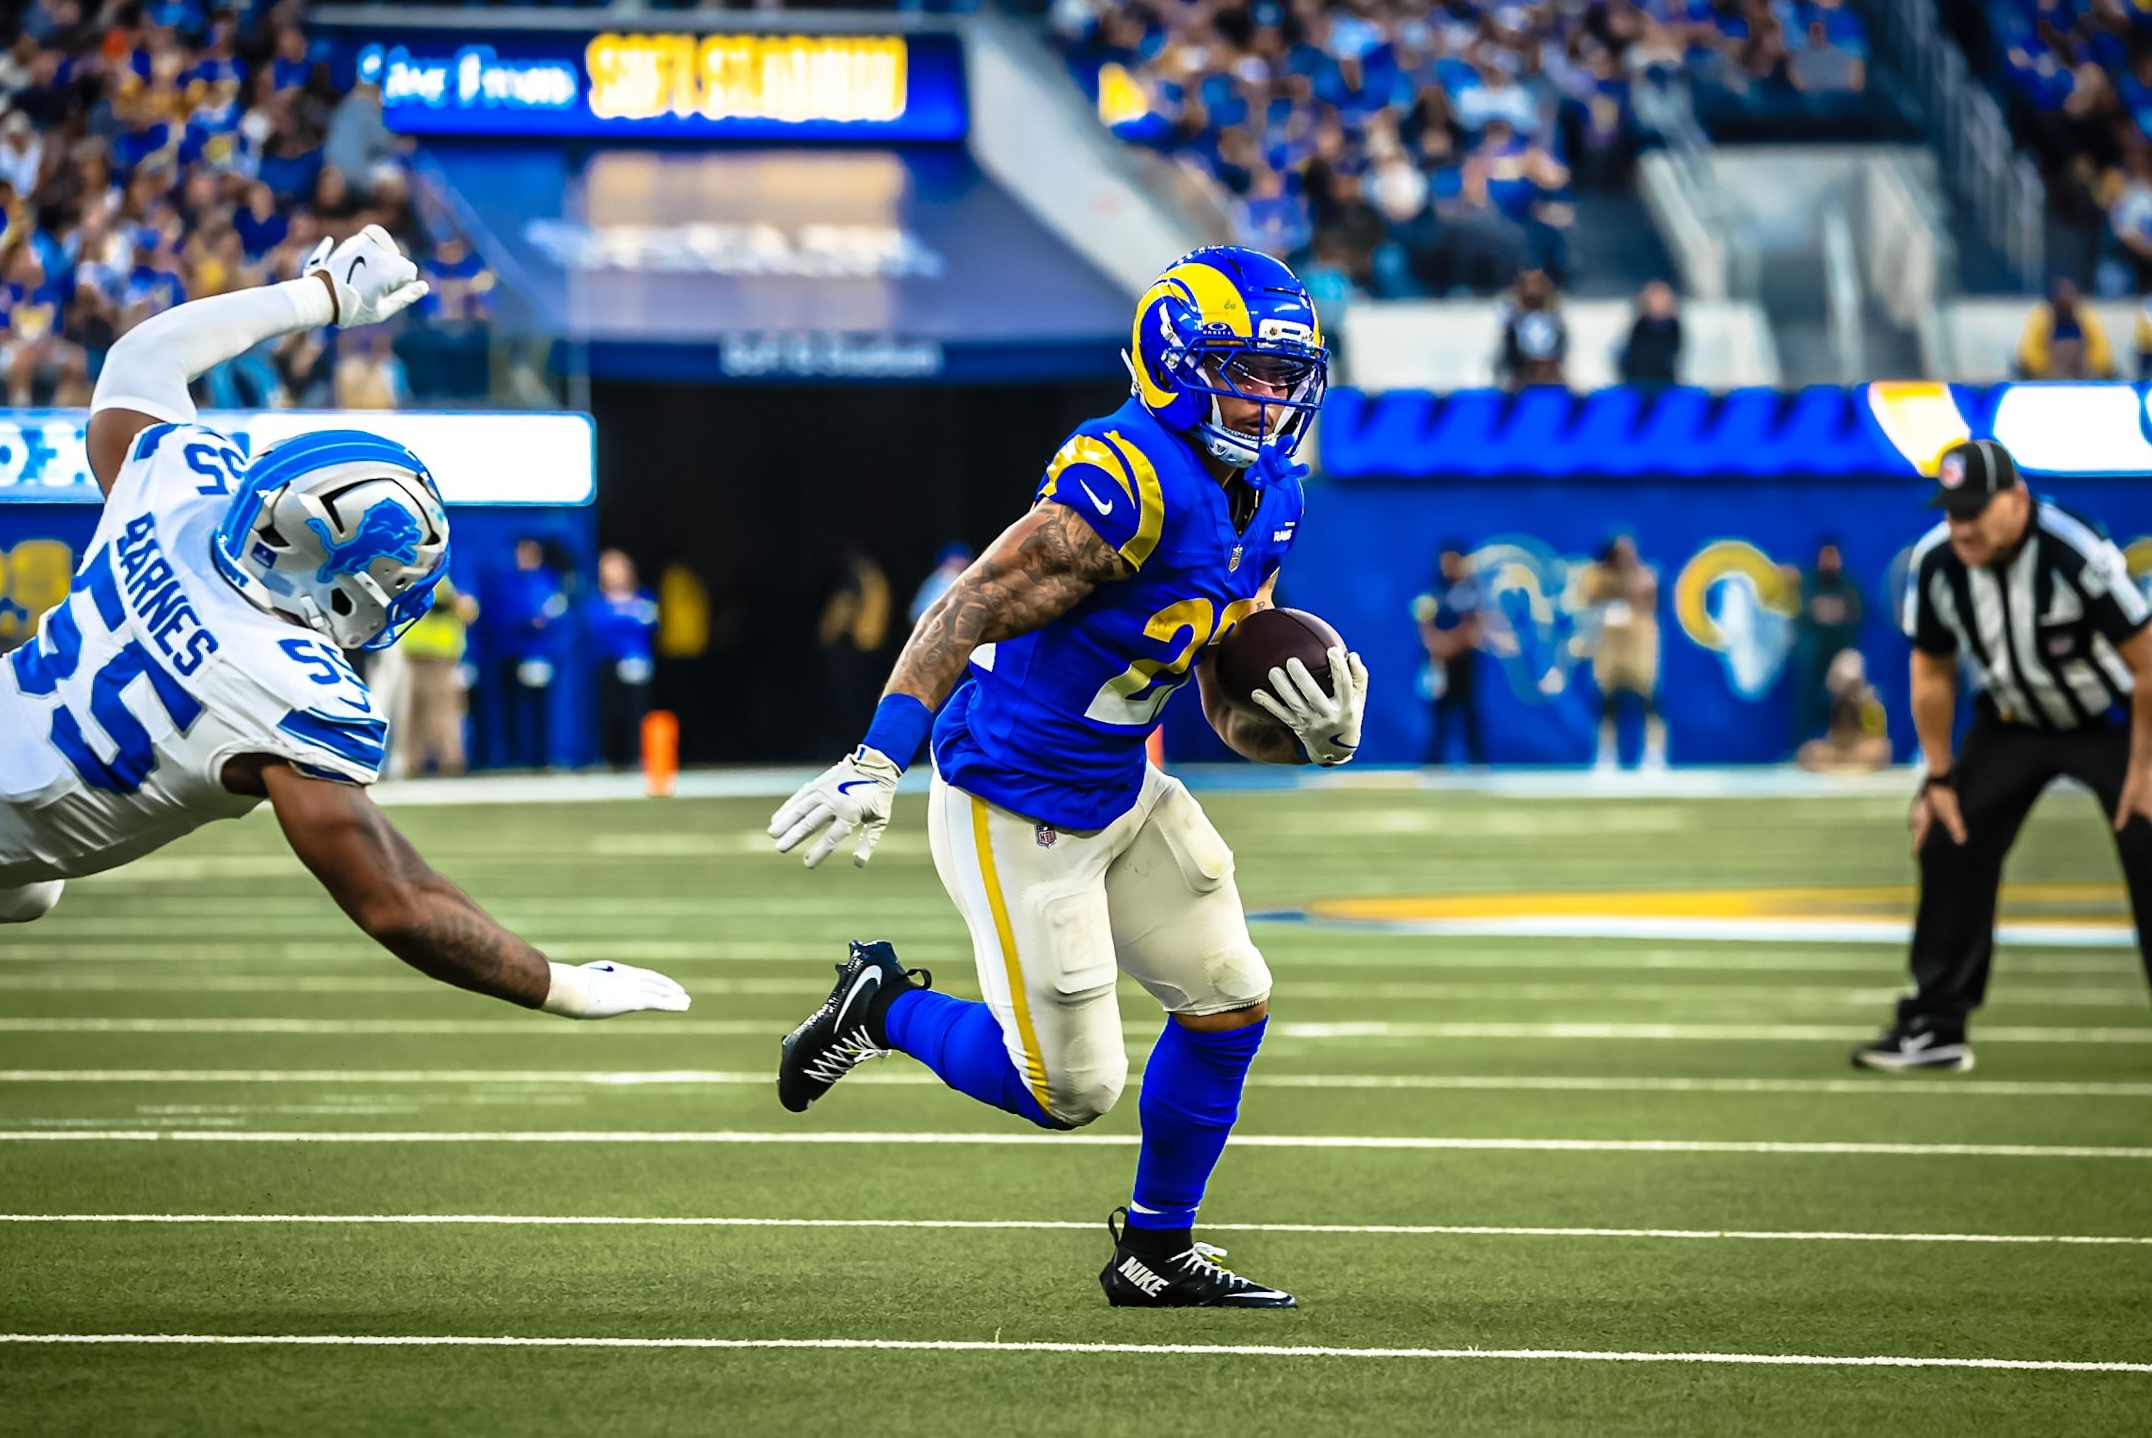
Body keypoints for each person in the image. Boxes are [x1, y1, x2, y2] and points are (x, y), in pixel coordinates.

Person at [768, 247, 1364, 1309]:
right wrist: (876, 754)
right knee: (1072, 1089)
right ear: (1174, 364)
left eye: (1285, 376)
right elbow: (967, 606)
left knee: (1230, 1000)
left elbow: (1219, 694)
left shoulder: (1270, 490)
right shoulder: (1127, 480)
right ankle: (882, 1007)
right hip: (1015, 790)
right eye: (1247, 371)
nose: (1271, 397)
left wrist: (1306, 737)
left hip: (1119, 782)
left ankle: (1154, 1247)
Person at [0, 226, 687, 1022]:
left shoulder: (178, 498)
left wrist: (321, 295)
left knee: (29, 894)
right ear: (347, 588)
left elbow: (142, 358)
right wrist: (559, 983)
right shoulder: (285, 689)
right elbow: (397, 903)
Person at [1855, 439, 2152, 1069]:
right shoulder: (1937, 562)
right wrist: (1937, 776)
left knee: (2149, 837)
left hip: (2112, 719)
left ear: (2016, 501)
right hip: (2012, 721)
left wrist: (2146, 769)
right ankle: (1935, 1027)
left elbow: (2148, 661)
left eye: (1974, 511)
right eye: (1951, 511)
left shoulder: (2074, 551)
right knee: (1950, 833)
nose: (1960, 526)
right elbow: (1931, 671)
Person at [1581, 534, 1665, 768]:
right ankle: (1606, 753)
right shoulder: (1598, 576)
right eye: (1620, 552)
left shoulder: (1644, 575)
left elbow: (1647, 599)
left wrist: (1628, 579)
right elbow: (1591, 598)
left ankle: (1654, 752)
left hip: (1639, 648)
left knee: (1649, 702)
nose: (1625, 557)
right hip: (1610, 651)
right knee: (1606, 704)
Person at [483, 538, 569, 769]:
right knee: (511, 709)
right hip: (510, 652)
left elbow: (557, 612)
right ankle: (513, 758)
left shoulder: (548, 580)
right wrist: (526, 622)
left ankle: (542, 758)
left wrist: (542, 623)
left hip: (539, 654)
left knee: (540, 709)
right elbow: (497, 616)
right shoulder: (506, 582)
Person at [394, 578, 476, 779]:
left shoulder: (440, 583)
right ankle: (414, 763)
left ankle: (450, 761)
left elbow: (469, 611)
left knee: (441, 710)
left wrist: (449, 603)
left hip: (439, 656)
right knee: (417, 711)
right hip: (415, 655)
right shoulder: (420, 581)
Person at [1413, 543, 1486, 765]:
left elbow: (1474, 629)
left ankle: (1477, 762)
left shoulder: (1471, 591)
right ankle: (1434, 762)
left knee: (1468, 710)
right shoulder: (1431, 591)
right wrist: (1438, 647)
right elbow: (1424, 626)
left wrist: (1450, 645)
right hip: (1438, 661)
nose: (1448, 566)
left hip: (1463, 661)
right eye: (1445, 561)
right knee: (1439, 714)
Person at [586, 549, 659, 770]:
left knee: (637, 711)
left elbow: (650, 623)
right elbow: (600, 625)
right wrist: (629, 616)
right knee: (610, 711)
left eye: (619, 566)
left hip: (637, 662)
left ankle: (640, 756)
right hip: (608, 663)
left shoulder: (644, 595)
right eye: (609, 567)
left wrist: (620, 616)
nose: (615, 573)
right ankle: (610, 758)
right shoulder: (596, 600)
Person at [1792, 539, 1862, 744]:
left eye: (1834, 555)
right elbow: (1800, 614)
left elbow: (1858, 614)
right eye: (1826, 555)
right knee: (1808, 706)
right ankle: (1802, 747)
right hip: (1813, 659)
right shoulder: (1807, 583)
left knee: (1845, 699)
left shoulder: (1849, 585)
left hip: (1840, 654)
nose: (1830, 561)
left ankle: (1847, 746)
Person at [1795, 648, 1891, 772]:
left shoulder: (1872, 708)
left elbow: (1880, 753)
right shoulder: (1819, 705)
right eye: (1844, 688)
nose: (1848, 698)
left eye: (1853, 687)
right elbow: (1807, 754)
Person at [2016, 278, 2116, 379]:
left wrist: (2086, 369)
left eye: (2070, 297)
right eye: (2062, 301)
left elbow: (2104, 358)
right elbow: (2027, 355)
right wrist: (2048, 370)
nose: (2066, 302)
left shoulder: (2086, 318)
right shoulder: (2041, 318)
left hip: (2083, 377)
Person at [1495, 268, 1568, 389]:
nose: (1532, 291)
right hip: (1520, 381)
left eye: (1537, 285)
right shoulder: (1512, 323)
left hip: (1553, 380)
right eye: (1527, 285)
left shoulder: (1555, 321)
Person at [1617, 281, 1683, 385]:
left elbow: (1673, 358)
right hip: (1637, 382)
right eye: (1655, 298)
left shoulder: (1674, 327)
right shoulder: (1639, 327)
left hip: (1664, 383)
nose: (1659, 302)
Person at [907, 543, 973, 627]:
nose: (959, 563)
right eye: (956, 559)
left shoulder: (966, 581)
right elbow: (917, 613)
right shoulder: (938, 581)